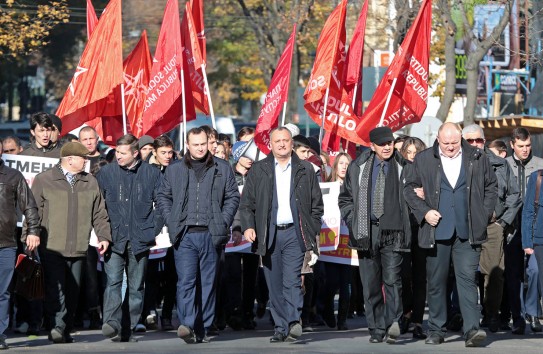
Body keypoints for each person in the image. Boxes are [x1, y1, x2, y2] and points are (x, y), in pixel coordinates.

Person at [403, 122, 497, 347]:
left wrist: (482, 216)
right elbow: (408, 190)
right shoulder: (424, 159)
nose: (451, 147)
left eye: (455, 142)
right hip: (437, 230)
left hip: (468, 230)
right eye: (446, 143)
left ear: (461, 139)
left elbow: (491, 187)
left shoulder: (476, 157)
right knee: (436, 282)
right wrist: (425, 212)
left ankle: (472, 330)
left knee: (467, 280)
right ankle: (436, 330)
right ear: (437, 139)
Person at [240, 127, 323, 343]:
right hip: (269, 234)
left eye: (286, 140)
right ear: (271, 144)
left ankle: (294, 321)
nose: (282, 144)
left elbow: (317, 206)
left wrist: (310, 229)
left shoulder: (306, 169)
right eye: (277, 141)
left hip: (296, 234)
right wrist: (249, 226)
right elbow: (247, 203)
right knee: (274, 283)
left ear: (291, 143)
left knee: (293, 280)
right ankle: (280, 326)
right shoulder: (259, 170)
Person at [157, 127, 240, 344]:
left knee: (208, 283)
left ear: (209, 143)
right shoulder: (175, 169)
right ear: (187, 145)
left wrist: (223, 221)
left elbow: (232, 196)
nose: (200, 148)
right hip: (184, 235)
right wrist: (171, 219)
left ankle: (203, 327)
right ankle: (188, 324)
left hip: (211, 234)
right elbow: (164, 196)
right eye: (196, 144)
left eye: (203, 143)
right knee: (186, 281)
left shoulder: (222, 167)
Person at [29, 142, 111, 344]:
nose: (87, 161)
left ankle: (64, 328)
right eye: (84, 158)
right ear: (70, 159)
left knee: (73, 290)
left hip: (79, 247)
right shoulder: (44, 179)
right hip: (52, 247)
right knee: (55, 290)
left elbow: (99, 213)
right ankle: (57, 326)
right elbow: (33, 212)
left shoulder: (90, 181)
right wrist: (30, 235)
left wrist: (103, 236)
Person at [338, 126, 411, 344]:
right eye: (382, 144)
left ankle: (394, 322)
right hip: (366, 231)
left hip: (394, 231)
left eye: (390, 143)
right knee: (370, 284)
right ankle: (377, 328)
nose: (387, 147)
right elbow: (345, 198)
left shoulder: (404, 166)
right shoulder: (358, 166)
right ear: (372, 146)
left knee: (392, 279)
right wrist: (353, 219)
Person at [96, 134, 163, 342]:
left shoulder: (152, 173)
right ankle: (112, 323)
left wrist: (153, 230)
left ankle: (129, 327)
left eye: (123, 153)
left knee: (136, 286)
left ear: (135, 153)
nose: (118, 156)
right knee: (113, 281)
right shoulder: (106, 173)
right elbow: (98, 206)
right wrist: (102, 233)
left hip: (140, 238)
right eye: (117, 152)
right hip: (114, 238)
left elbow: (162, 204)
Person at [462, 125, 522, 332]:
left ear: (484, 140)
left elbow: (515, 195)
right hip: (464, 225)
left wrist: (503, 222)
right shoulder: (454, 163)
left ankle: (491, 314)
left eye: (478, 140)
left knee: (494, 274)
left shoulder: (500, 164)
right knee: (463, 273)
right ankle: (462, 315)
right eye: (469, 141)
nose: (474, 144)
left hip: (492, 226)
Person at [0, 138, 40, 350]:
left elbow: (30, 206)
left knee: (3, 291)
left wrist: (33, 231)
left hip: (6, 242)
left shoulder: (13, 176)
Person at [505, 127, 543, 333]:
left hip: (535, 227)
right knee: (514, 275)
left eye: (528, 145)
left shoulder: (540, 166)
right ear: (512, 145)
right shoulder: (504, 165)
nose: (525, 150)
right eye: (521, 146)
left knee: (535, 271)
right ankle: (517, 317)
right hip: (511, 228)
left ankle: (533, 312)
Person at [141, 135, 176, 331]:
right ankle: (149, 311)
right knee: (151, 276)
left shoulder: (176, 168)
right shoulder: (144, 170)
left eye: (170, 152)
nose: (168, 156)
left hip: (171, 230)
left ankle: (168, 314)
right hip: (152, 229)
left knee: (172, 276)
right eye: (163, 153)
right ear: (154, 152)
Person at [398, 137, 428, 340]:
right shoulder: (399, 172)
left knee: (420, 278)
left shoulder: (428, 171)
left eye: (415, 152)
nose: (412, 156)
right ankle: (406, 312)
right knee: (403, 275)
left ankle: (417, 320)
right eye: (408, 152)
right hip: (403, 229)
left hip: (422, 228)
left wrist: (427, 195)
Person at [322, 152, 352, 331]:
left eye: (347, 163)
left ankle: (342, 319)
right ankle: (326, 310)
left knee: (346, 283)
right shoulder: (327, 187)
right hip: (331, 240)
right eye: (341, 163)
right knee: (331, 282)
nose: (344, 166)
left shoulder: (354, 187)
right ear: (335, 166)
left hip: (348, 242)